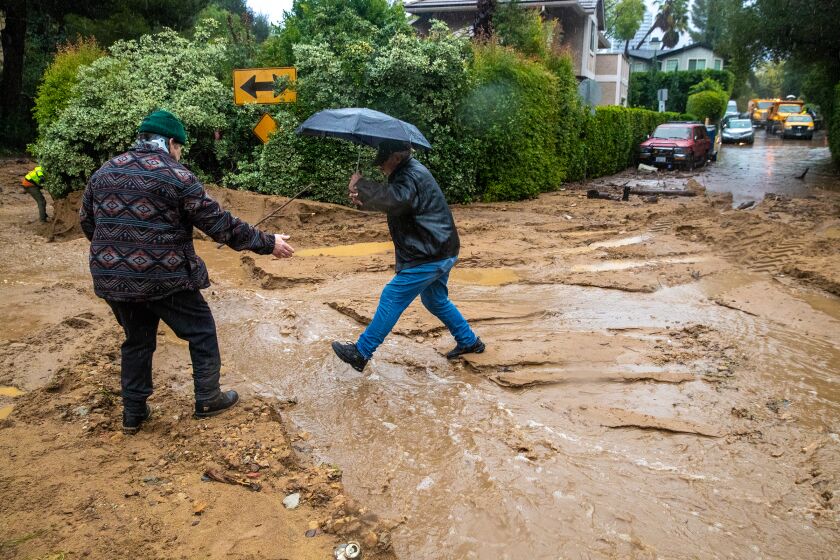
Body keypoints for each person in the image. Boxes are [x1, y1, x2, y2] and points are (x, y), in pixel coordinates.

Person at [80, 109, 295, 434]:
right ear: (170, 142)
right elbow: (220, 226)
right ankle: (208, 398)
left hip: (111, 277)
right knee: (201, 331)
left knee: (137, 340)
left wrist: (117, 255)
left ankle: (133, 413)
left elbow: (87, 222)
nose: (179, 153)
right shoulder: (177, 176)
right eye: (179, 147)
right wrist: (268, 243)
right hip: (163, 276)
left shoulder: (104, 172)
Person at [331, 140, 484, 372]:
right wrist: (363, 200)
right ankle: (469, 341)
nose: (380, 167)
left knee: (392, 295)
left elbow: (398, 199)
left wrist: (361, 185)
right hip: (440, 248)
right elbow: (398, 203)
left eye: (382, 162)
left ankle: (361, 352)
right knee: (435, 300)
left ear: (396, 157)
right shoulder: (409, 172)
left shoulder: (410, 174)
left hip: (430, 252)